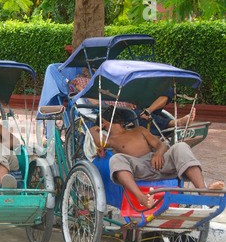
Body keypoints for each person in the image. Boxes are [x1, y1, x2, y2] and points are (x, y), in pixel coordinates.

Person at [89, 106, 224, 209]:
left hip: (159, 164)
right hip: (137, 169)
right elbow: (97, 138)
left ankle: (203, 192)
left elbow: (160, 144)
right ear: (103, 122)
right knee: (116, 159)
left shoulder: (139, 130)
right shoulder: (110, 140)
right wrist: (95, 128)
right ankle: (142, 198)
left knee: (181, 146)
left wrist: (158, 153)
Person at [70, 69, 195, 135]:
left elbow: (127, 93)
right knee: (135, 115)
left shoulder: (113, 80)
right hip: (114, 111)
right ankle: (174, 123)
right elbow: (93, 102)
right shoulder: (80, 81)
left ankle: (149, 111)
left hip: (132, 104)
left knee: (167, 90)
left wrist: (129, 101)